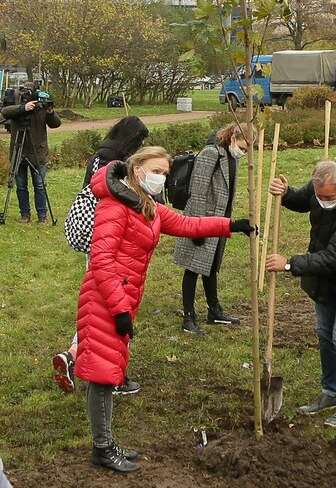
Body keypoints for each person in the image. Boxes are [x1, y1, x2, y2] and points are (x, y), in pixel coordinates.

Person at [78, 146, 253, 472]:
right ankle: (102, 448)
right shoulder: (114, 207)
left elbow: (188, 225)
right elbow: (101, 261)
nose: (161, 178)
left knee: (109, 370)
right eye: (156, 170)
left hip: (121, 298)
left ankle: (104, 442)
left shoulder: (146, 206)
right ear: (137, 167)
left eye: (165, 173)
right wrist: (118, 309)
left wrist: (232, 225)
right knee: (103, 376)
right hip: (105, 299)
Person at [265, 160, 336, 428]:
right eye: (319, 195)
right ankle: (331, 392)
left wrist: (289, 264)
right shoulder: (318, 192)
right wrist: (286, 191)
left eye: (328, 196)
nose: (322, 200)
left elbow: (334, 257)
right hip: (324, 279)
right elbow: (301, 200)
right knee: (325, 334)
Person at [54, 116, 150, 395]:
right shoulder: (117, 165)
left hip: (95, 238)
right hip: (113, 240)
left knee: (96, 305)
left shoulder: (98, 156)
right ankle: (112, 376)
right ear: (131, 140)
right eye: (140, 142)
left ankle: (73, 354)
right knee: (114, 310)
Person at [172, 121, 256, 335]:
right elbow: (198, 191)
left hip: (219, 220)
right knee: (192, 268)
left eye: (248, 150)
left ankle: (214, 310)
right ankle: (188, 316)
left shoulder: (230, 157)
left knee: (210, 267)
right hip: (203, 219)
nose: (243, 153)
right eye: (243, 148)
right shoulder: (211, 153)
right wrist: (197, 228)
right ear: (232, 138)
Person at [1, 81, 61, 223]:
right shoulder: (17, 108)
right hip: (18, 150)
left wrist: (50, 112)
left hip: (37, 152)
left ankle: (42, 216)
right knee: (21, 185)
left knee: (39, 185)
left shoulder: (41, 106)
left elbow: (56, 123)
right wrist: (23, 108)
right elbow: (5, 112)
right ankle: (25, 214)